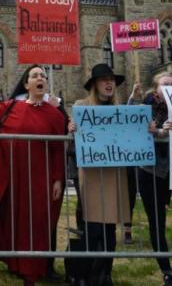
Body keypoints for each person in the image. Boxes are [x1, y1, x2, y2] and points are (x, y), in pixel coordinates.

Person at [0, 65, 65, 285]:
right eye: (35, 75)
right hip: (10, 178)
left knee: (34, 228)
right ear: (26, 84)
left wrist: (57, 179)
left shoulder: (55, 115)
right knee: (0, 221)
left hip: (38, 181)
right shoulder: (9, 107)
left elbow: (58, 150)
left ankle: (30, 277)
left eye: (43, 75)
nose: (40, 78)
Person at [67, 63, 134, 286]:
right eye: (104, 79)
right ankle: (85, 273)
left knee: (109, 227)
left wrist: (149, 128)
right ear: (94, 84)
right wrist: (72, 130)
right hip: (92, 175)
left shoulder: (121, 110)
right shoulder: (81, 107)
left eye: (112, 80)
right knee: (93, 226)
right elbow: (74, 140)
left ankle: (105, 273)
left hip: (114, 175)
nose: (109, 83)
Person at [128, 73, 172, 286]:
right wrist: (133, 98)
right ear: (155, 89)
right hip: (151, 171)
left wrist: (158, 132)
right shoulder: (146, 105)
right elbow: (129, 120)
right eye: (165, 84)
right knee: (157, 221)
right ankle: (166, 270)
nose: (170, 87)